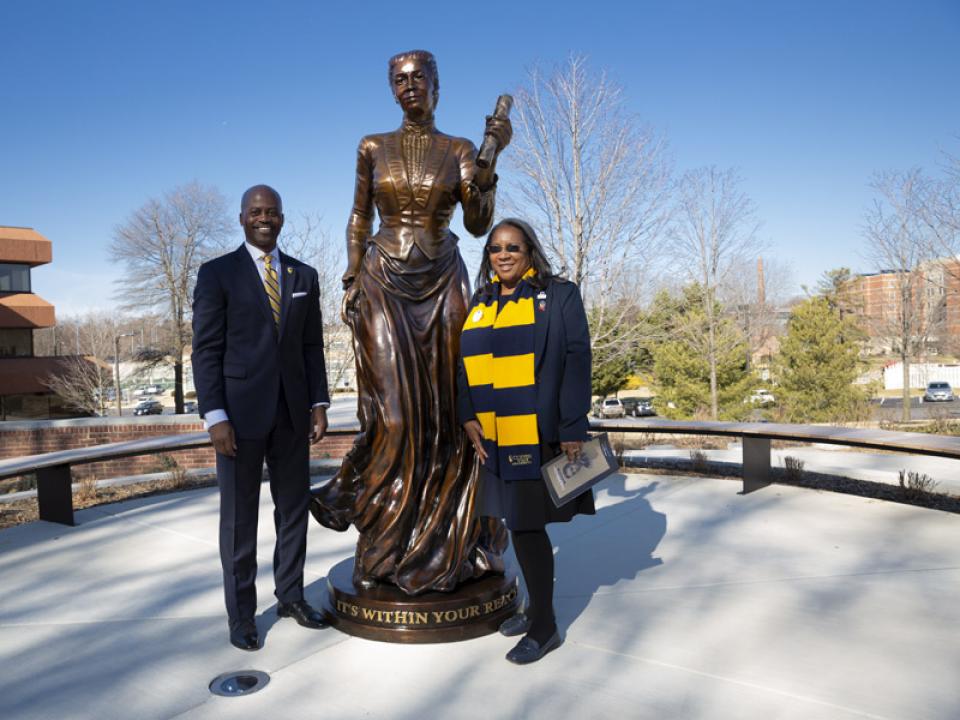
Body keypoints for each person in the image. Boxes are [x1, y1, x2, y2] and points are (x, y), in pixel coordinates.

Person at [309, 50, 512, 595]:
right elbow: (359, 215)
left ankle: (453, 539)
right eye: (399, 80)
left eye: (419, 77)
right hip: (383, 278)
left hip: (444, 276)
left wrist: (491, 162)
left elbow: (475, 223)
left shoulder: (461, 148)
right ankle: (385, 539)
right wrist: (352, 275)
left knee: (451, 412)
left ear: (437, 84)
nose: (409, 86)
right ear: (391, 90)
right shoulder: (372, 145)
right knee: (395, 416)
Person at [192, 184, 331, 651]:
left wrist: (319, 403)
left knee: (293, 512)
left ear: (282, 218)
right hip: (238, 418)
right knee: (239, 521)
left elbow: (313, 347)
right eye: (256, 211)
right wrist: (215, 415)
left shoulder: (304, 275)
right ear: (242, 219)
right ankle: (242, 616)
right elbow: (206, 350)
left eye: (272, 211)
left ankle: (291, 595)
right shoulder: (217, 275)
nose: (264, 218)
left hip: (293, 415)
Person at [457, 218, 595, 664]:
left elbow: (576, 360)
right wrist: (468, 417)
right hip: (495, 435)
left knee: (527, 526)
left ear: (529, 251)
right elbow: (464, 366)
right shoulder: (481, 303)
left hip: (541, 434)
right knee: (518, 524)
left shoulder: (558, 295)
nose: (503, 254)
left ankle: (544, 627)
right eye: (495, 248)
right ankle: (537, 607)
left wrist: (573, 425)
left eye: (513, 247)